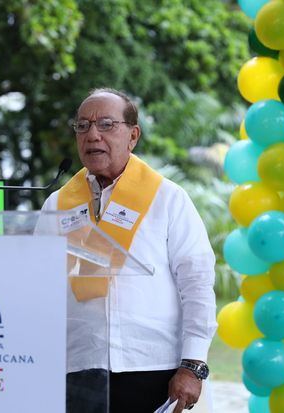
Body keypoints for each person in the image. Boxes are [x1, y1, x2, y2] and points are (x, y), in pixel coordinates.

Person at [40, 88, 217, 413]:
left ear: (133, 135)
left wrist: (193, 365)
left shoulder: (168, 199)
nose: (92, 134)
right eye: (82, 126)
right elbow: (40, 286)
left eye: (106, 124)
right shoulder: (58, 203)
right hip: (77, 368)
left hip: (151, 368)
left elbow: (197, 286)